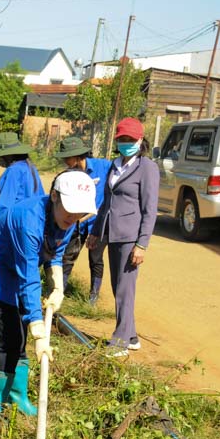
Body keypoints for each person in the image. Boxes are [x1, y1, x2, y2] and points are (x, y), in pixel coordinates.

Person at [0, 170, 97, 430]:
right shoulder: (28, 219)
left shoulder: (66, 221)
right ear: (55, 197)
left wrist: (58, 286)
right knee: (9, 339)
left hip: (16, 275)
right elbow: (28, 275)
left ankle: (17, 396)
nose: (73, 218)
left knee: (20, 337)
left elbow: (55, 256)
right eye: (69, 211)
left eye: (79, 213)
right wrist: (39, 330)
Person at [87, 118, 159, 357]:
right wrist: (96, 232)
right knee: (119, 286)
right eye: (122, 139)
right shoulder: (114, 165)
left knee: (124, 289)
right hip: (111, 233)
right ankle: (132, 336)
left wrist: (142, 244)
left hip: (130, 237)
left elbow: (150, 209)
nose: (126, 143)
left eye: (130, 139)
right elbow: (106, 202)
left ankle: (120, 343)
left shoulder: (147, 167)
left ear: (140, 140)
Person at [54, 136, 112, 305]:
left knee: (95, 259)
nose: (65, 161)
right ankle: (59, 293)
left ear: (79, 155)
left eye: (67, 157)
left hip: (98, 224)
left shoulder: (104, 166)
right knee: (67, 257)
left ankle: (92, 299)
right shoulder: (68, 175)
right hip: (76, 224)